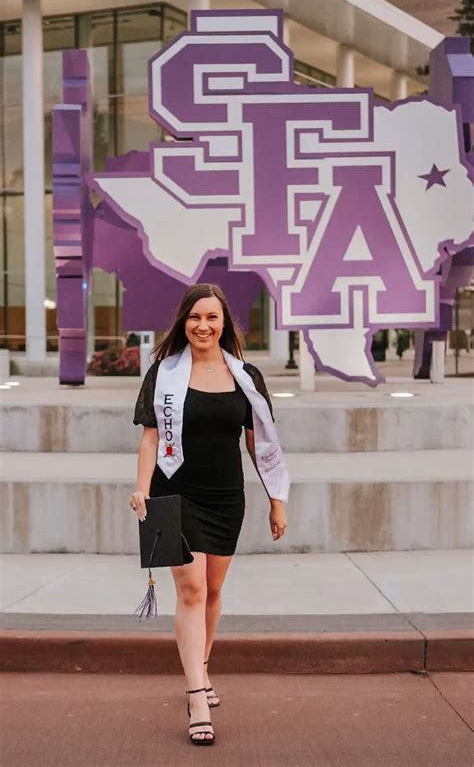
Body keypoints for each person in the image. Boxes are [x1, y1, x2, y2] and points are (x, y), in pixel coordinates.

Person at [130, 283, 289, 745]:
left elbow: (260, 442)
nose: (203, 325)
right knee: (193, 588)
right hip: (173, 493)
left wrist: (276, 498)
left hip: (225, 497)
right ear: (183, 321)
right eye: (195, 317)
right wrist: (142, 488)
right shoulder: (163, 374)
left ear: (224, 324)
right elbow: (150, 437)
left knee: (214, 589)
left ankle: (202, 665)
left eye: (212, 317)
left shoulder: (246, 376)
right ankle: (197, 695)